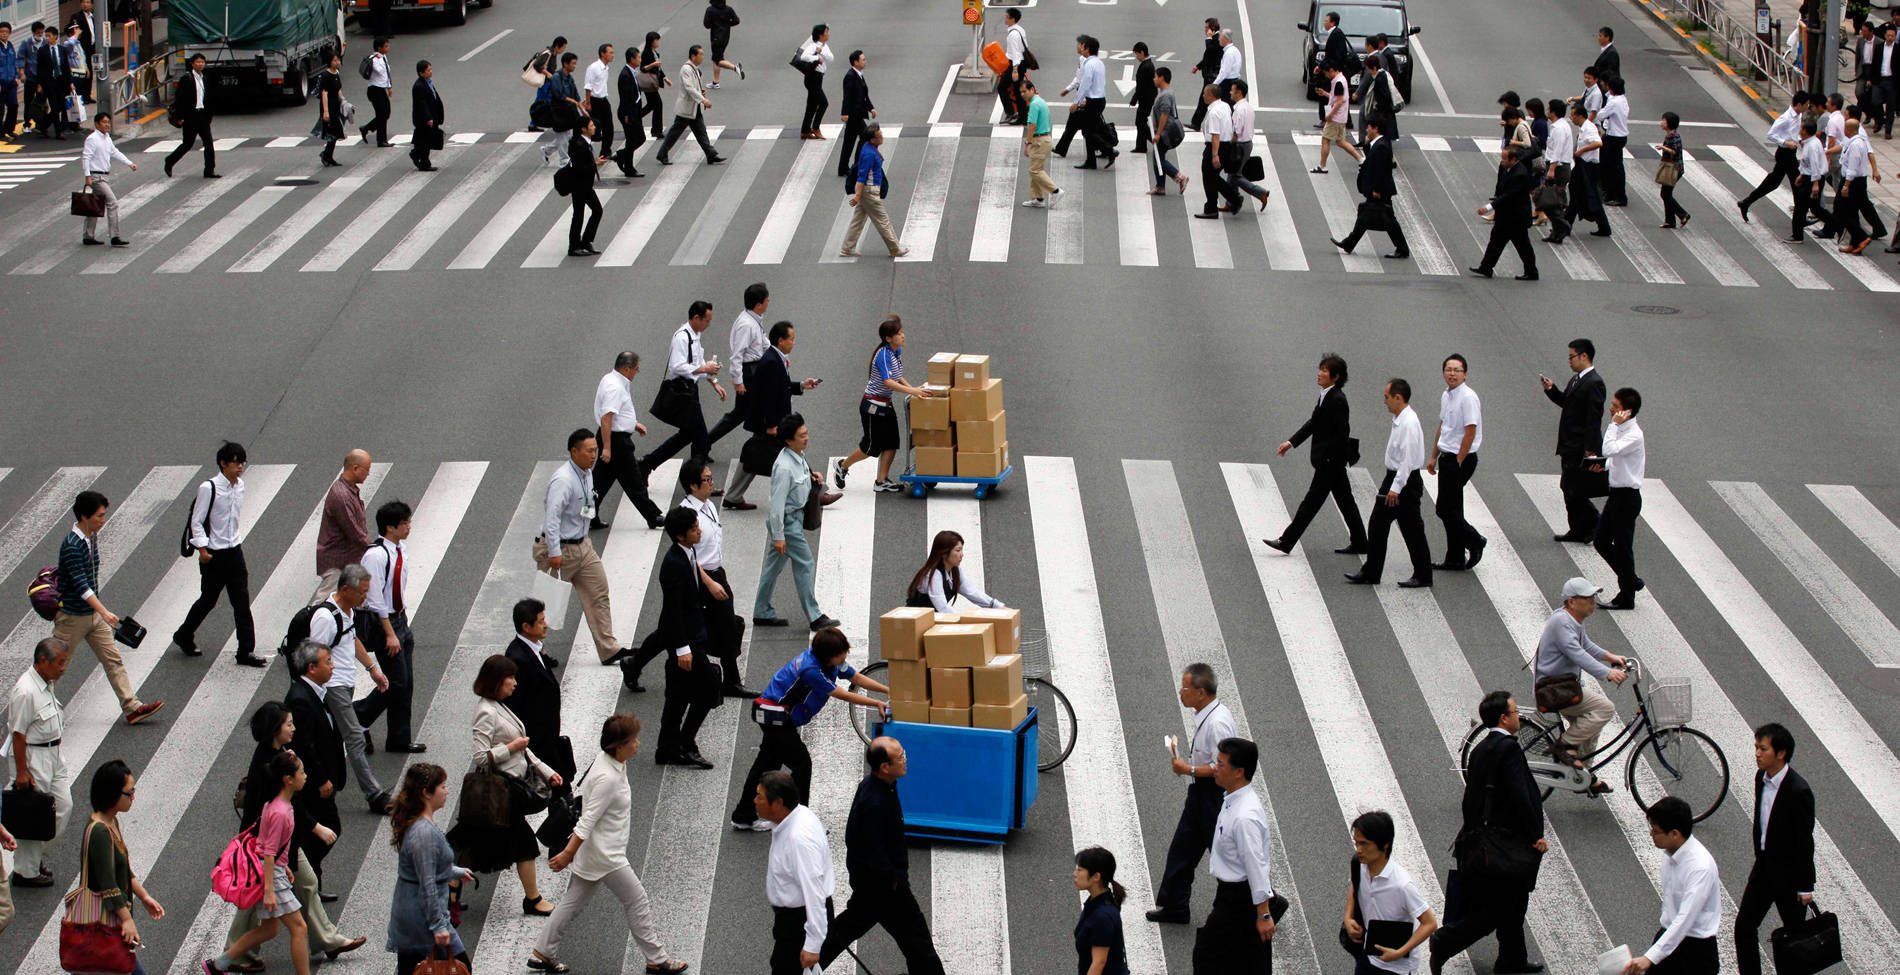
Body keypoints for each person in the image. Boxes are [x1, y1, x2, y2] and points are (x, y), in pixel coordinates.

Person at [535, 715, 687, 973]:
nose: (638, 744)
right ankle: (657, 959)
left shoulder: (609, 762)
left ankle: (543, 952)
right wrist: (566, 853)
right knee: (637, 900)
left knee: (572, 901)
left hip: (597, 851)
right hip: (606, 855)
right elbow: (587, 820)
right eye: (633, 740)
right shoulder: (608, 777)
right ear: (617, 745)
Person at [227, 703, 363, 969]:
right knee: (257, 899)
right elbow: (288, 806)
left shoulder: (274, 754)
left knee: (306, 884)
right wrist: (317, 828)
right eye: (289, 724)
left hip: (276, 841)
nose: (293, 728)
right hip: (266, 843)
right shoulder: (270, 764)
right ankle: (236, 954)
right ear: (275, 729)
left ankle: (327, 940)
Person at [1429, 692, 1547, 975]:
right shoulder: (1508, 749)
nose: (1520, 717)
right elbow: (1522, 796)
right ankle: (1445, 942)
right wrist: (1535, 835)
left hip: (1481, 841)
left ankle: (1511, 962)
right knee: (1502, 908)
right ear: (1504, 718)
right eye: (1516, 712)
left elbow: (1471, 797)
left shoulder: (1482, 748)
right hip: (1505, 843)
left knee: (1513, 904)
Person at [731, 628, 889, 830]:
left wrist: (888, 691)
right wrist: (877, 703)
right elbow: (841, 694)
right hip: (775, 717)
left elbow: (856, 678)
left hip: (777, 716)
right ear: (828, 655)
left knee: (766, 765)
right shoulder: (811, 670)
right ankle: (799, 823)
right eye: (842, 653)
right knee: (802, 765)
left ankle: (743, 815)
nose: (845, 657)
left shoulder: (829, 662)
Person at [817, 738, 946, 974]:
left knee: (845, 929)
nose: (905, 760)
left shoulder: (874, 785)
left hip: (871, 885)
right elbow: (871, 849)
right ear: (885, 767)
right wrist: (894, 881)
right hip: (886, 888)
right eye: (900, 758)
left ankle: (803, 965)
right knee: (918, 943)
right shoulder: (875, 802)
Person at [448, 654, 563, 916]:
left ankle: (450, 889)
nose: (514, 683)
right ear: (496, 681)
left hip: (508, 787)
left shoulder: (499, 705)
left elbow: (524, 748)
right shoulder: (486, 711)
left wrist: (547, 772)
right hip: (501, 789)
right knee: (523, 843)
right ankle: (532, 899)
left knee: (469, 841)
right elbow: (480, 756)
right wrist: (510, 747)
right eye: (509, 678)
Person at [55, 490, 163, 724]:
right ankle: (28, 708)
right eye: (99, 516)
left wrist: (99, 612)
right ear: (84, 516)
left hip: (91, 614)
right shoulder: (72, 546)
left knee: (113, 659)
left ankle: (132, 707)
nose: (103, 520)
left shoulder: (90, 536)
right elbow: (81, 586)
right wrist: (104, 611)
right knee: (56, 666)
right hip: (72, 618)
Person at [206, 751, 316, 975]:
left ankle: (218, 965)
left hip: (274, 871)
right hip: (271, 876)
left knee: (269, 929)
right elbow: (267, 851)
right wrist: (269, 889)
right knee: (299, 927)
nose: (305, 776)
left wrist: (282, 866)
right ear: (289, 779)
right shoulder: (280, 811)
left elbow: (268, 845)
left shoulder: (275, 805)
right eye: (302, 772)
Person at [1149, 664, 1237, 924]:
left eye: (1185, 688)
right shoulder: (1207, 715)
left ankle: (1267, 901)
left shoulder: (1218, 723)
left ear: (1200, 692)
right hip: (1200, 794)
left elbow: (1224, 766)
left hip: (1213, 796)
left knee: (1225, 855)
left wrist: (1189, 769)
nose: (1180, 692)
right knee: (1182, 850)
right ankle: (1175, 904)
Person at [537, 429, 631, 665]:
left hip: (583, 546)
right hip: (560, 549)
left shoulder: (586, 472)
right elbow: (552, 519)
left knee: (599, 593)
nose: (594, 455)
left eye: (596, 450)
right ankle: (534, 650)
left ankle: (608, 649)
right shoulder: (563, 480)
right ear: (574, 451)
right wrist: (555, 553)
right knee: (545, 604)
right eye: (589, 451)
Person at [304, 564, 390, 813]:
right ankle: (374, 795)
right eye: (362, 593)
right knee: (354, 736)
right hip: (333, 686)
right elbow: (314, 657)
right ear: (345, 589)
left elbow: (352, 640)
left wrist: (372, 669)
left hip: (345, 682)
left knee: (325, 739)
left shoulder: (347, 612)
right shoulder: (325, 617)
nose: (365, 598)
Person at [1734, 723, 1815, 975]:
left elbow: (1804, 841)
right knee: (1744, 927)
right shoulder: (1762, 777)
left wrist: (1805, 886)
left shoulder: (1798, 791)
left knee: (1794, 940)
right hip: (1764, 868)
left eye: (1763, 748)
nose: (1757, 753)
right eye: (1756, 747)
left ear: (1781, 753)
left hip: (1789, 877)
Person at [1265, 354, 1367, 555]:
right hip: (1331, 463)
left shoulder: (1337, 399)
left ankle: (1287, 541)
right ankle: (1361, 542)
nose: (1319, 374)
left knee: (1310, 504)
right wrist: (1291, 442)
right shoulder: (1326, 395)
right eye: (1320, 369)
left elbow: (1342, 433)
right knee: (1346, 503)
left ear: (1335, 376)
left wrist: (1330, 459)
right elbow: (1314, 423)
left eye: (1324, 370)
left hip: (1330, 463)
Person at [173, 442, 264, 666]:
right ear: (223, 463)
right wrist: (202, 550)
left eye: (242, 462)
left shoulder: (240, 486)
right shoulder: (209, 488)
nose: (240, 466)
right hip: (214, 555)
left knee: (242, 602)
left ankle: (245, 652)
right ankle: (184, 634)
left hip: (235, 551)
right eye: (235, 462)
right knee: (208, 600)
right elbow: (197, 520)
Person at [1533, 577, 1629, 786]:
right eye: (1587, 598)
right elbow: (1576, 653)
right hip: (1555, 689)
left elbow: (1585, 645)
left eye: (1593, 597)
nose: (1593, 601)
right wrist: (1607, 673)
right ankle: (1564, 745)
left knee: (1590, 726)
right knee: (1605, 709)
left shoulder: (1572, 621)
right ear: (1572, 602)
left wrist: (1611, 656)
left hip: (1565, 685)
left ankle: (1582, 775)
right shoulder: (1562, 622)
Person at [1193, 737, 1276, 975]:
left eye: (1219, 763)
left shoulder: (1244, 816)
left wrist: (1264, 914)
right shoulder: (1233, 799)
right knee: (1245, 961)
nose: (1214, 767)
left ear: (1239, 771)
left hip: (1238, 899)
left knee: (1207, 957)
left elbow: (1256, 865)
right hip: (1231, 896)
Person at [675, 456, 757, 699]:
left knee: (722, 625)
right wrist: (709, 582)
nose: (712, 483)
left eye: (711, 478)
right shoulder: (687, 514)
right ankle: (731, 681)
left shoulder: (708, 505)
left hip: (716, 573)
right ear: (692, 485)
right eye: (707, 479)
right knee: (725, 625)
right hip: (701, 578)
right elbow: (689, 555)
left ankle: (635, 663)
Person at [387, 763, 475, 975]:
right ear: (426, 793)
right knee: (460, 968)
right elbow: (427, 883)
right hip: (422, 918)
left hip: (412, 913)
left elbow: (428, 867)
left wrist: (455, 872)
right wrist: (438, 926)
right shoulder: (424, 833)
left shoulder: (419, 825)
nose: (447, 791)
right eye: (442, 786)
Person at [652, 506, 721, 770]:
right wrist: (682, 648)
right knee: (708, 688)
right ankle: (685, 742)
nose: (699, 530)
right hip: (685, 641)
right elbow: (673, 609)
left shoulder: (687, 552)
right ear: (681, 535)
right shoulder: (673, 564)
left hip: (692, 636)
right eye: (694, 528)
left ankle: (667, 748)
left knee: (677, 695)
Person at [1345, 378, 1432, 588]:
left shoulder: (1409, 423)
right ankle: (1372, 572)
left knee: (1410, 530)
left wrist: (1395, 488)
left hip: (1403, 482)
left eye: (1387, 397)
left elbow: (1408, 460)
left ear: (1398, 397)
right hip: (1396, 479)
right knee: (1379, 525)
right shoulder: (1401, 418)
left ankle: (1422, 575)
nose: (1385, 401)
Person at [80, 761, 165, 974]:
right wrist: (127, 920)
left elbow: (124, 869)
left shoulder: (111, 822)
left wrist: (144, 897)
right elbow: (108, 883)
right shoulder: (100, 832)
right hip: (104, 921)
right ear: (112, 795)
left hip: (108, 922)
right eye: (130, 792)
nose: (133, 797)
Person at [753, 414, 837, 630]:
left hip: (794, 518)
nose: (806, 438)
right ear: (789, 440)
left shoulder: (797, 455)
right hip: (787, 523)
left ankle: (761, 611)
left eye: (806, 433)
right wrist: (779, 536)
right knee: (805, 564)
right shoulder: (783, 467)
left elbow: (798, 483)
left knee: (773, 567)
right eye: (802, 435)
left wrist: (812, 478)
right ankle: (815, 616)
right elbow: (776, 506)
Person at [1624, 798, 1721, 975]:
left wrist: (1650, 957)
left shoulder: (1700, 867)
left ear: (1675, 834)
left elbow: (1685, 918)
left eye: (1655, 831)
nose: (1651, 834)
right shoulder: (1671, 854)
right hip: (1669, 937)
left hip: (1695, 953)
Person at [835, 316, 933, 491]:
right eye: (898, 333)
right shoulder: (883, 355)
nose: (903, 336)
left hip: (885, 405)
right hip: (872, 406)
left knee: (892, 443)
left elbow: (897, 376)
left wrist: (913, 389)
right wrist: (914, 392)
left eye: (902, 332)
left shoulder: (895, 352)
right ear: (888, 338)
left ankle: (881, 481)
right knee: (871, 446)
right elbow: (888, 382)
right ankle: (843, 465)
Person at [357, 501, 423, 754]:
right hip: (384, 623)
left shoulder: (400, 549)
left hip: (400, 619)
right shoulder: (375, 555)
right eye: (404, 523)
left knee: (405, 684)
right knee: (395, 682)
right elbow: (374, 600)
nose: (409, 526)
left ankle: (399, 739)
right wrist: (390, 633)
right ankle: (357, 716)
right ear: (390, 527)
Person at [756, 770, 834, 973]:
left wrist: (812, 945)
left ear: (778, 803)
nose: (755, 800)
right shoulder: (793, 817)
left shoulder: (799, 839)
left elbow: (814, 892)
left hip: (798, 921)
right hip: (792, 919)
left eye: (760, 797)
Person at [8, 637, 71, 887]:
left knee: (63, 806)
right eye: (60, 663)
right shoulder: (26, 691)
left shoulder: (46, 681)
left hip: (54, 754)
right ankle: (26, 872)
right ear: (43, 661)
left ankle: (34, 856)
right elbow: (18, 734)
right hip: (34, 758)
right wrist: (22, 771)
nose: (63, 668)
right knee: (34, 814)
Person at [1344, 811, 1437, 975]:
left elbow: (1429, 923)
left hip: (1396, 968)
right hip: (1367, 954)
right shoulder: (1359, 865)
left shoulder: (1402, 885)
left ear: (1385, 844)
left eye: (1364, 844)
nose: (1358, 850)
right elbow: (1355, 887)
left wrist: (1400, 952)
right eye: (1356, 843)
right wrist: (1348, 917)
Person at [642, 303, 730, 471]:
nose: (708, 325)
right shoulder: (682, 337)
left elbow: (697, 363)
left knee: (689, 434)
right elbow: (677, 366)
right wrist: (705, 369)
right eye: (706, 320)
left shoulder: (695, 335)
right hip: (682, 392)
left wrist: (713, 381)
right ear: (696, 318)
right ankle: (699, 476)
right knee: (700, 436)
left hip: (690, 391)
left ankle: (648, 463)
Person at [284, 642, 344, 882]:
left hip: (322, 777)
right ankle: (304, 880)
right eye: (328, 661)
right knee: (326, 829)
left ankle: (312, 884)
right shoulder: (301, 699)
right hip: (313, 783)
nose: (333, 666)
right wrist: (321, 779)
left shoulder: (314, 692)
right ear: (311, 668)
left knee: (320, 831)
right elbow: (304, 746)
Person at [1424, 356, 1486, 570]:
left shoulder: (1468, 397)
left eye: (1457, 370)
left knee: (1444, 509)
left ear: (1465, 374)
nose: (1452, 373)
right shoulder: (1447, 395)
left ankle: (1476, 540)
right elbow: (1444, 426)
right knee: (1453, 508)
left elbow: (1470, 431)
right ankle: (1455, 557)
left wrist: (1459, 460)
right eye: (1448, 369)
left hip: (1461, 458)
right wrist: (1434, 456)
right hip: (1447, 456)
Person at [592, 351, 666, 530]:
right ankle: (653, 516)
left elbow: (616, 415)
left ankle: (588, 515)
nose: (636, 373)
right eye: (635, 370)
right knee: (634, 482)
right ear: (626, 369)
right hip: (616, 442)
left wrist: (633, 424)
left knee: (598, 484)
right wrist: (608, 448)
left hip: (612, 437)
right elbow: (606, 417)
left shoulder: (610, 379)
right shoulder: (615, 387)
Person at [713, 284, 772, 506]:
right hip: (749, 373)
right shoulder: (746, 325)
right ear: (759, 303)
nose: (769, 302)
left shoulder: (753, 320)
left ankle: (706, 442)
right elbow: (736, 355)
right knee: (750, 417)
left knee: (739, 414)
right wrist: (738, 382)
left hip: (755, 369)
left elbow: (761, 343)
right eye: (767, 299)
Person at [1587, 388, 1645, 609]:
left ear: (1626, 412)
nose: (1611, 409)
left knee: (1623, 547)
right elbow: (1616, 459)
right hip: (1617, 495)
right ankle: (1631, 580)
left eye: (1616, 406)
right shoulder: (1623, 429)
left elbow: (1610, 448)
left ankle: (1627, 594)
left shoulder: (1633, 434)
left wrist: (1612, 425)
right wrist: (1601, 466)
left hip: (1627, 497)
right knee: (1601, 541)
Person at [1542, 340, 1606, 541]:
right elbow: (1568, 404)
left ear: (1584, 356)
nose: (1569, 360)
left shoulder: (1594, 383)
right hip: (1569, 445)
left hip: (1579, 447)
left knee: (1573, 488)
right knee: (1570, 488)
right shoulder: (1577, 379)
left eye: (1572, 356)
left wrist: (1591, 449)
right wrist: (1552, 390)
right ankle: (1579, 529)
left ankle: (1594, 524)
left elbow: (1593, 419)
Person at [503, 598, 572, 783]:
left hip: (547, 735)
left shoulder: (533, 649)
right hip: (537, 739)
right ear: (526, 626)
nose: (546, 625)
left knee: (560, 789)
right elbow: (515, 703)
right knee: (560, 789)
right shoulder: (518, 658)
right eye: (541, 621)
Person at [1329, 116, 1406, 256]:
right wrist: (1366, 143)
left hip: (1380, 190)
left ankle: (1402, 249)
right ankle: (1349, 243)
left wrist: (1376, 189)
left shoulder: (1382, 146)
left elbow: (1381, 170)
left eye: (1368, 127)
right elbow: (1371, 158)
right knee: (1365, 217)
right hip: (1378, 188)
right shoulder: (1379, 143)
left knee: (1388, 220)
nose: (1366, 129)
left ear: (1375, 128)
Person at [1737, 90, 1808, 222]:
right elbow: (1771, 134)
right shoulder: (1785, 118)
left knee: (1773, 183)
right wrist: (1786, 142)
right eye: (1806, 105)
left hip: (1789, 153)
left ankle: (1746, 202)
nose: (1807, 107)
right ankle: (1801, 217)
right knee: (1797, 183)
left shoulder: (1798, 115)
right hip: (1784, 154)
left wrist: (1799, 140)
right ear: (1799, 104)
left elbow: (1792, 133)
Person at [1471, 144, 1539, 279]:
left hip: (1516, 218)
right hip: (1506, 216)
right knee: (1496, 241)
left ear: (1514, 160)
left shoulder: (1519, 174)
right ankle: (1486, 268)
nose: (1502, 161)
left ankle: (1531, 272)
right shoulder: (1507, 169)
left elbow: (1509, 196)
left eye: (1504, 159)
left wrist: (1489, 207)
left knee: (1523, 246)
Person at [841, 122, 908, 257]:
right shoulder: (869, 154)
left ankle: (848, 248)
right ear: (872, 139)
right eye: (879, 136)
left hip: (868, 190)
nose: (882, 137)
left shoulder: (869, 147)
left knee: (858, 219)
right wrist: (857, 195)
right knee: (882, 220)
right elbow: (861, 177)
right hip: (869, 191)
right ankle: (894, 248)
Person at [314, 449, 372, 603]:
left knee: (349, 600)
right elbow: (354, 531)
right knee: (324, 602)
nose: (369, 474)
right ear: (355, 468)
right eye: (367, 469)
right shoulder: (342, 495)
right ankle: (310, 625)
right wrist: (374, 549)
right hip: (338, 561)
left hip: (347, 558)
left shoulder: (348, 490)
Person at [906, 530, 1004, 611]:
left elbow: (971, 592)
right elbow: (942, 607)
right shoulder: (934, 575)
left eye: (961, 550)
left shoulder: (955, 570)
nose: (962, 554)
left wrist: (997, 606)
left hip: (932, 619)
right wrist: (964, 621)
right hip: (915, 623)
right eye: (958, 550)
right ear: (944, 553)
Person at [1057, 35, 1114, 168]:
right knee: (1089, 130)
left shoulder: (1089, 64)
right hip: (1100, 100)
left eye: (1081, 45)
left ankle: (1109, 151)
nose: (1079, 47)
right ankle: (1091, 161)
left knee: (1088, 131)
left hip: (1093, 102)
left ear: (1087, 48)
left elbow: (1085, 84)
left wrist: (1076, 102)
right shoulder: (1099, 63)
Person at [79, 111, 133, 246]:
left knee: (95, 204)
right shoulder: (92, 139)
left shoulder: (107, 138)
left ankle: (88, 236)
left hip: (103, 175)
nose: (107, 125)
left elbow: (115, 152)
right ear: (97, 124)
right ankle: (115, 237)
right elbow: (86, 158)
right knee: (112, 203)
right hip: (96, 177)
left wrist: (129, 163)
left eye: (108, 122)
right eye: (104, 122)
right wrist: (87, 176)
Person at [1075, 847, 1132, 975]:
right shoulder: (1099, 902)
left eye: (1080, 870)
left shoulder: (1102, 917)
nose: (1075, 874)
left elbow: (1099, 962)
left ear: (1096, 877)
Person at [1561, 100, 1611, 240]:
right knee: (1578, 196)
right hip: (1583, 165)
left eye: (1573, 116)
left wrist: (1581, 150)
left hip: (1588, 167)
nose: (1572, 119)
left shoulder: (1588, 127)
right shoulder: (1584, 127)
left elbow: (1598, 143)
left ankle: (1566, 226)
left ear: (1580, 116)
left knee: (1586, 195)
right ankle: (1567, 225)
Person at [1834, 116, 1884, 254]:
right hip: (1855, 181)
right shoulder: (1853, 141)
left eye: (1845, 127)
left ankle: (1861, 236)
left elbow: (1852, 167)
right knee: (1852, 211)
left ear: (1849, 130)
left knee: (1840, 210)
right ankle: (1855, 243)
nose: (1843, 129)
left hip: (1853, 182)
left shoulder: (1856, 144)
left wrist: (1846, 185)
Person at [164, 53, 217, 177]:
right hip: (191, 116)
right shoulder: (186, 78)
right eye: (198, 62)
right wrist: (180, 117)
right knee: (187, 144)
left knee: (208, 143)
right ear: (192, 64)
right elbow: (180, 99)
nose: (200, 64)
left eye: (202, 62)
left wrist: (209, 115)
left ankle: (209, 170)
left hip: (202, 115)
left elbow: (209, 97)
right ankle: (169, 161)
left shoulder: (205, 78)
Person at [1222, 81, 1270, 209]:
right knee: (1232, 175)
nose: (1230, 93)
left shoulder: (1239, 110)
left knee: (1234, 176)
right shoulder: (1247, 107)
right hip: (1247, 144)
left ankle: (1261, 192)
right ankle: (1231, 202)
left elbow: (1236, 133)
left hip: (1239, 146)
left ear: (1238, 92)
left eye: (1232, 90)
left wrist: (1227, 147)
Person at [564, 115, 607, 257]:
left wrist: (594, 162)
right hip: (579, 185)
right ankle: (574, 246)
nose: (594, 127)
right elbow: (579, 167)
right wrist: (595, 164)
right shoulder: (579, 144)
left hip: (584, 184)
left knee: (595, 211)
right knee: (580, 214)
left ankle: (585, 242)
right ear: (584, 129)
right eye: (591, 125)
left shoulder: (582, 141)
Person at [1196, 85, 1240, 219]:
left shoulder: (1214, 112)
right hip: (1226, 146)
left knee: (1208, 176)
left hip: (1215, 147)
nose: (1203, 96)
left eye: (1204, 93)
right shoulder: (1225, 106)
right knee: (1213, 177)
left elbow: (1215, 135)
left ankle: (1212, 208)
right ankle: (1233, 198)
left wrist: (1215, 155)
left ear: (1211, 95)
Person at [1790, 117, 1835, 243]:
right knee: (1815, 207)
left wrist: (1815, 184)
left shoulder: (1812, 146)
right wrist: (1801, 175)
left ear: (1805, 131)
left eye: (1801, 128)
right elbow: (1807, 164)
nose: (1800, 129)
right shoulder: (1811, 142)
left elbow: (1815, 165)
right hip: (1809, 177)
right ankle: (1833, 225)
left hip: (1812, 180)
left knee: (1800, 208)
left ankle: (1797, 236)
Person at [1313, 61, 1363, 173]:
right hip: (1341, 117)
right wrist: (1325, 94)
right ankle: (1361, 159)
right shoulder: (1341, 79)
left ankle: (1322, 166)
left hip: (1336, 117)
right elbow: (1338, 97)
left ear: (1331, 70)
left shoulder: (1338, 82)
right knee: (1340, 141)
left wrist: (1330, 115)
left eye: (1326, 73)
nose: (1326, 76)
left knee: (1325, 139)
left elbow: (1339, 101)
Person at [1020, 78, 1061, 208]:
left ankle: (1055, 191)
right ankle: (1037, 198)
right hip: (1044, 139)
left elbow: (1032, 125)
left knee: (1034, 171)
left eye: (1024, 91)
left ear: (1032, 90)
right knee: (1036, 169)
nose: (1022, 94)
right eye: (1021, 92)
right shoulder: (1040, 101)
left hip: (1039, 140)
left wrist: (1027, 143)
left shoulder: (1034, 104)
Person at [838, 50, 874, 195]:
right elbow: (846, 96)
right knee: (865, 136)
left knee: (849, 140)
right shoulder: (850, 77)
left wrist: (871, 108)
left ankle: (843, 168)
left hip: (858, 112)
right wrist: (844, 112)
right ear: (855, 62)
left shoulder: (859, 75)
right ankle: (856, 166)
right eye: (863, 59)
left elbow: (864, 95)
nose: (865, 61)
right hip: (853, 114)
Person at [611, 45, 649, 178]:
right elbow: (625, 97)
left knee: (636, 139)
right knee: (634, 139)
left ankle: (622, 157)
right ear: (631, 59)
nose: (640, 60)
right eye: (638, 57)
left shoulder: (632, 72)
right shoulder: (625, 75)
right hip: (628, 113)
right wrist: (627, 115)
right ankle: (628, 166)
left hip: (634, 112)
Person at [539, 52, 582, 166]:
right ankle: (564, 160)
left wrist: (580, 102)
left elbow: (575, 92)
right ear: (565, 64)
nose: (574, 66)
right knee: (562, 136)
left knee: (568, 135)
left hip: (568, 111)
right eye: (573, 63)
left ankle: (546, 150)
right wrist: (572, 101)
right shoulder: (556, 78)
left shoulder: (569, 77)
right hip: (558, 111)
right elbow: (559, 95)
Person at [1149, 67, 1187, 195]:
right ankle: (1160, 186)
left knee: (1159, 159)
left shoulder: (1165, 95)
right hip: (1164, 131)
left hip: (1164, 132)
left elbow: (1164, 115)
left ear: (1162, 78)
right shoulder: (1166, 92)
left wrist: (1158, 134)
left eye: (1155, 76)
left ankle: (1180, 177)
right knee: (1158, 158)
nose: (1154, 79)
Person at [1596, 76, 1629, 207]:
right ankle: (1612, 193)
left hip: (1614, 137)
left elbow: (1601, 115)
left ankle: (1618, 196)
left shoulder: (1614, 102)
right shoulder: (1622, 99)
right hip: (1620, 136)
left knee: (1612, 168)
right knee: (1615, 167)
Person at [796, 24, 833, 140]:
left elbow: (831, 58)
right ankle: (816, 128)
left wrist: (821, 52)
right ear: (821, 35)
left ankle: (805, 131)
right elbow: (803, 57)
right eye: (826, 32)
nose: (828, 34)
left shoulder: (823, 46)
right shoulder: (813, 46)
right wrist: (816, 57)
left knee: (811, 105)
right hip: (812, 78)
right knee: (823, 103)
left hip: (818, 78)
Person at [524, 36, 567, 131]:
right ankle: (538, 123)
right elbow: (537, 65)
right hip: (545, 83)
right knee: (544, 102)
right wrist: (547, 73)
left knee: (541, 102)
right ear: (557, 46)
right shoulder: (548, 54)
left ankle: (533, 124)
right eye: (563, 47)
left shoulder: (553, 54)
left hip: (547, 83)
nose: (563, 50)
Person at [583, 43, 616, 164]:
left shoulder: (606, 67)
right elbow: (588, 86)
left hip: (604, 100)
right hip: (594, 101)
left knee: (609, 128)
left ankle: (605, 151)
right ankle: (586, 152)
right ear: (603, 53)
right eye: (610, 53)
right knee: (594, 130)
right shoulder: (594, 68)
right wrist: (588, 103)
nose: (612, 55)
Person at [997, 7, 1030, 124]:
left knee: (1002, 88)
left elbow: (1016, 52)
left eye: (1007, 17)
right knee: (1017, 91)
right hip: (1020, 63)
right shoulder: (1020, 30)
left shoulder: (1013, 35)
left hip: (1016, 65)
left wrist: (1014, 70)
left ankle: (1012, 113)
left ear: (1012, 19)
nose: (1005, 19)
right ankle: (1022, 116)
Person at [1657, 113, 1690, 229]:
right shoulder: (1671, 135)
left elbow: (1675, 151)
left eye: (1663, 120)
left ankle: (1682, 214)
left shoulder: (1673, 136)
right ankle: (1670, 221)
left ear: (1669, 123)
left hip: (1673, 169)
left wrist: (1663, 147)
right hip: (1672, 168)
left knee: (1665, 194)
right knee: (1666, 194)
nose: (1661, 122)